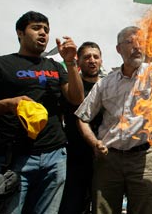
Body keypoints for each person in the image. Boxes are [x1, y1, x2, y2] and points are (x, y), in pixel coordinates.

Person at [76, 1, 152, 214]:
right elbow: (82, 117)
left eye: (141, 41)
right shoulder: (105, 83)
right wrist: (94, 143)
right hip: (108, 160)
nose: (137, 46)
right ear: (118, 49)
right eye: (130, 42)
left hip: (144, 160)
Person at [0, 11, 84, 213]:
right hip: (14, 159)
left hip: (55, 155)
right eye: (36, 28)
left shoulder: (54, 66)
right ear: (20, 33)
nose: (43, 33)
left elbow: (76, 98)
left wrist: (70, 63)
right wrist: (9, 104)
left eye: (46, 29)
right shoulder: (1, 64)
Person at [59, 41, 104, 214]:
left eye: (96, 57)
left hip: (104, 158)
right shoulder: (70, 88)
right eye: (86, 57)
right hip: (75, 158)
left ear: (101, 60)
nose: (92, 60)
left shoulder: (109, 86)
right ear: (78, 62)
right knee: (72, 206)